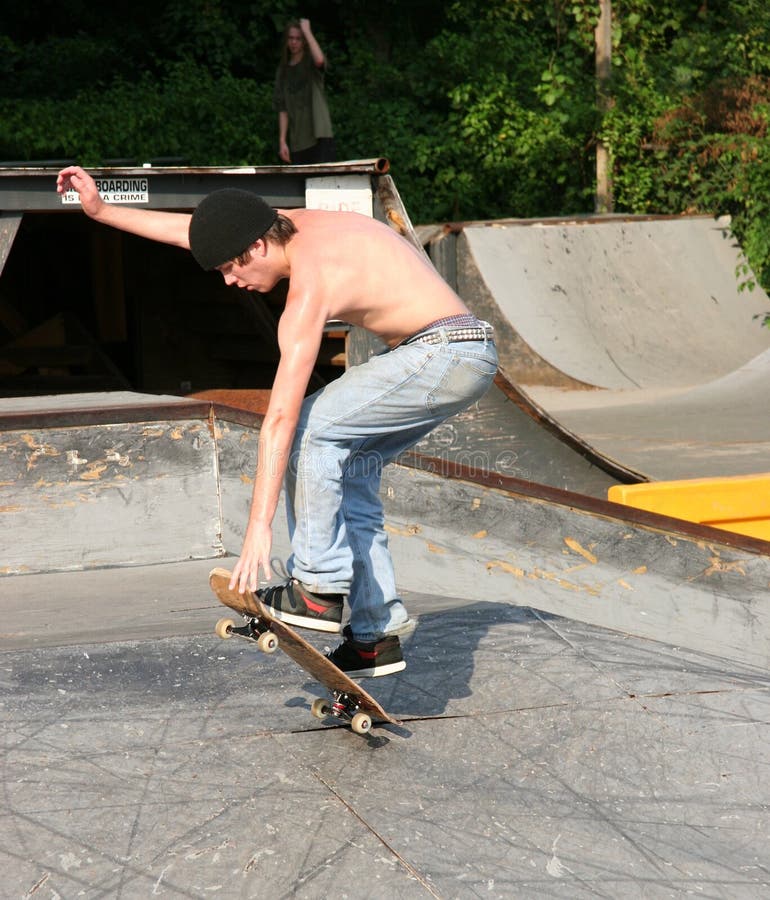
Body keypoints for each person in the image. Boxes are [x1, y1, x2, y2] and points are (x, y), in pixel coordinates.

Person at [55, 166, 498, 676]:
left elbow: (281, 418)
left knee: (311, 428)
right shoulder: (280, 224)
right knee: (347, 472)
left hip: (440, 354)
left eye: (229, 269)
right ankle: (377, 633)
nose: (231, 281)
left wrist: (258, 528)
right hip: (462, 355)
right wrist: (103, 211)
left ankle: (316, 588)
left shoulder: (310, 287)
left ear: (256, 248)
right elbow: (193, 230)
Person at [274, 18, 336, 164]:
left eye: (298, 39)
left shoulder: (311, 64)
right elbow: (282, 108)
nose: (294, 42)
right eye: (291, 38)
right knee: (301, 185)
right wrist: (282, 141)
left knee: (322, 184)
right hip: (298, 141)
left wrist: (307, 31)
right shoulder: (283, 71)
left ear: (304, 41)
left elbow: (320, 60)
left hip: (319, 135)